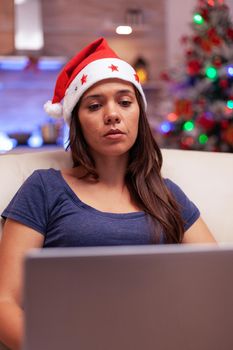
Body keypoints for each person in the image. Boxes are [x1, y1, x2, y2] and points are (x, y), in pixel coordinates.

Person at [0, 37, 216, 350]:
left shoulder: (166, 194)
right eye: (95, 105)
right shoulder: (44, 188)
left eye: (125, 102)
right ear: (76, 121)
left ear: (138, 115)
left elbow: (217, 283)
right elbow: (4, 301)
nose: (112, 114)